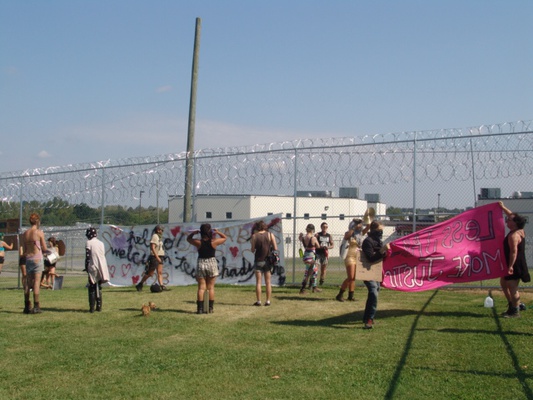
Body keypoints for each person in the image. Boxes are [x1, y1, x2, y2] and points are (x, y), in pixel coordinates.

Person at [187, 224, 227, 314]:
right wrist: (217, 232)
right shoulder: (214, 242)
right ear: (210, 232)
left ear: (201, 232)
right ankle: (210, 308)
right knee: (210, 287)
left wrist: (193, 233)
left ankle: (200, 309)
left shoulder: (198, 242)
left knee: (201, 288)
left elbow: (188, 239)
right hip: (212, 263)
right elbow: (225, 238)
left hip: (201, 262)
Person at [499, 201, 529, 318]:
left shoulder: (514, 235)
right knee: (503, 283)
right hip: (513, 262)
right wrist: (503, 207)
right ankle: (513, 304)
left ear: (515, 223)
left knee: (512, 286)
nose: (507, 221)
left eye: (509, 220)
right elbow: (512, 215)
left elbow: (513, 252)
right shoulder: (519, 230)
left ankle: (515, 310)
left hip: (515, 264)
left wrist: (510, 266)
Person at [361, 220, 388, 329]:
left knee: (374, 292)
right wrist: (382, 251)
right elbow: (370, 258)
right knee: (373, 292)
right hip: (368, 272)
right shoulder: (368, 241)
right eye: (379, 230)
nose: (381, 233)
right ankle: (369, 319)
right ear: (373, 230)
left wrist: (385, 252)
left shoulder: (379, 242)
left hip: (376, 272)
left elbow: (382, 256)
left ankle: (366, 317)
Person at [21, 213, 48, 314]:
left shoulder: (25, 234)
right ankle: (36, 306)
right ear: (37, 221)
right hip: (37, 259)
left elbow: (24, 249)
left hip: (28, 259)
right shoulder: (39, 232)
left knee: (28, 283)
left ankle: (27, 306)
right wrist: (51, 252)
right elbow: (44, 249)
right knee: (36, 282)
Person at [336, 219, 369, 302]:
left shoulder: (361, 233)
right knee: (350, 277)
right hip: (349, 256)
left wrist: (367, 219)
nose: (360, 225)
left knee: (353, 277)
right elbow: (347, 236)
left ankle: (351, 296)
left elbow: (368, 227)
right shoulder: (349, 233)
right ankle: (340, 294)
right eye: (358, 224)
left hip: (357, 256)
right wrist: (354, 226)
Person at [250, 220, 278, 306]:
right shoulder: (270, 235)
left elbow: (252, 250)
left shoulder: (254, 236)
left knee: (258, 282)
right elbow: (275, 248)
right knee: (268, 282)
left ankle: (258, 301)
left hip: (258, 260)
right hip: (268, 261)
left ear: (257, 228)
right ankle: (268, 301)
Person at [85, 227, 110, 313]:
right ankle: (99, 306)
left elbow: (88, 256)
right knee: (98, 286)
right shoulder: (101, 243)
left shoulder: (89, 242)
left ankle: (92, 307)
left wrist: (86, 266)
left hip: (93, 266)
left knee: (92, 287)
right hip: (102, 266)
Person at [136, 225, 168, 291]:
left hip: (161, 255)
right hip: (155, 256)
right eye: (161, 230)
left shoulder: (160, 237)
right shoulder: (155, 236)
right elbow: (152, 247)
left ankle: (162, 285)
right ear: (158, 230)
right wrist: (157, 257)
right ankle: (140, 284)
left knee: (160, 272)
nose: (162, 231)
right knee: (150, 273)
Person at [298, 224, 321, 294]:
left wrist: (300, 235)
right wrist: (316, 238)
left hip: (306, 255)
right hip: (311, 256)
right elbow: (318, 246)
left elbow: (300, 238)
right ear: (312, 230)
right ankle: (303, 289)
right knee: (308, 273)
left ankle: (314, 287)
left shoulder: (304, 237)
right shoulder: (313, 238)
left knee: (314, 271)